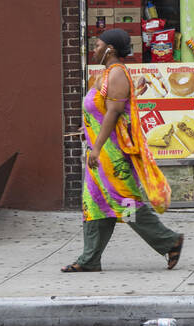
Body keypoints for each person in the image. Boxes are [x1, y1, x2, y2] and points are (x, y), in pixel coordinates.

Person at [62, 28, 183, 273]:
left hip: (111, 155)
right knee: (95, 204)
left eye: (98, 45)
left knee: (126, 203)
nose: (94, 49)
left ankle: (169, 241)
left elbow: (113, 113)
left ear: (111, 49)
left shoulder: (117, 74)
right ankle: (89, 259)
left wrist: (96, 148)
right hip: (100, 155)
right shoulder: (106, 74)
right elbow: (99, 112)